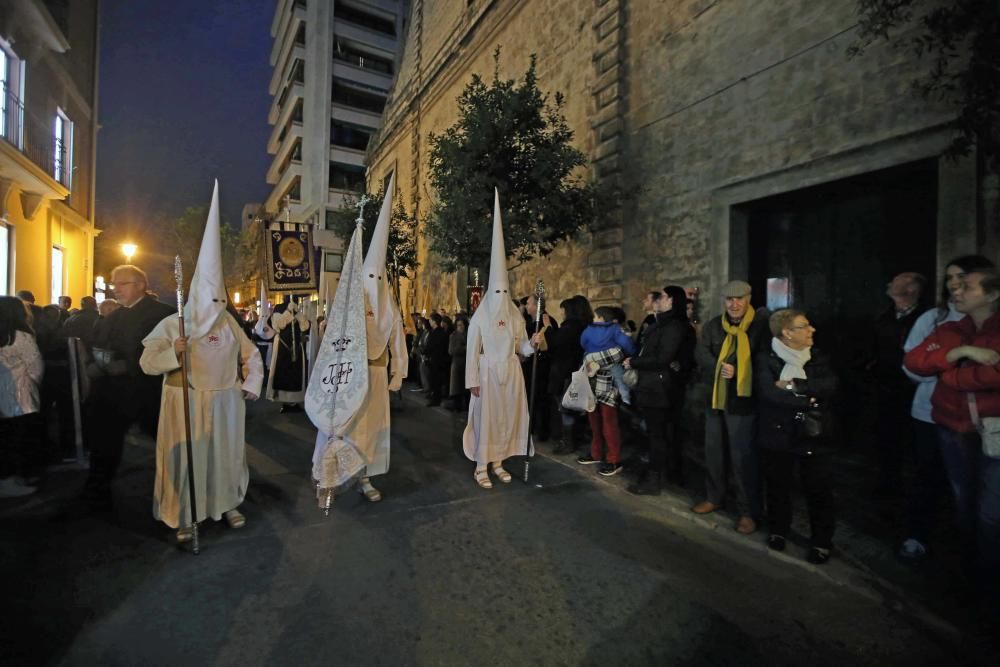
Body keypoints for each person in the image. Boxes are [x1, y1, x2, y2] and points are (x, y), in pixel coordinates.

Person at [140, 183, 263, 541]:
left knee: (224, 458)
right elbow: (148, 361)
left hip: (226, 402)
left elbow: (250, 354)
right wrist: (172, 352)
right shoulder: (172, 324)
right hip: (187, 403)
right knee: (188, 462)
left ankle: (226, 503)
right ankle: (185, 514)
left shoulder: (228, 325)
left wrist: (251, 384)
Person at [905, 269, 1000, 602]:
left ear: (990, 295)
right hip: (952, 429)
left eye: (966, 286)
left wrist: (951, 378)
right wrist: (960, 354)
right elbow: (916, 361)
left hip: (993, 433)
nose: (956, 291)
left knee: (990, 512)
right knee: (964, 505)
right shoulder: (950, 330)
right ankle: (970, 576)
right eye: (954, 286)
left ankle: (988, 585)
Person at [81, 264, 175, 510]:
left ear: (140, 285)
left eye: (122, 283)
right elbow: (96, 343)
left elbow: (170, 349)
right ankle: (97, 493)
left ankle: (178, 492)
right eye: (114, 283)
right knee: (104, 444)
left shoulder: (164, 314)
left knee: (168, 443)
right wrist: (92, 362)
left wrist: (129, 365)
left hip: (149, 392)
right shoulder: (114, 316)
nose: (116, 289)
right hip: (111, 393)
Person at [463, 190, 535, 489]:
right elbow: (471, 350)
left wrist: (533, 344)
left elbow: (521, 345)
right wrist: (472, 380)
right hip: (487, 373)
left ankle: (499, 461)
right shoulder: (480, 316)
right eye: (497, 292)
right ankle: (481, 465)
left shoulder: (515, 315)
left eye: (504, 292)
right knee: (486, 420)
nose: (501, 296)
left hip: (511, 374)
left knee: (507, 418)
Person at [756, 309, 838, 564]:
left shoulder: (817, 357)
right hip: (779, 432)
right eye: (804, 326)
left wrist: (795, 386)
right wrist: (810, 400)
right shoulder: (765, 359)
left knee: (818, 488)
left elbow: (831, 385)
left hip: (812, 433)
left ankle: (822, 541)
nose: (811, 330)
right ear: (787, 333)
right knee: (778, 485)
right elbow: (769, 394)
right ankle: (779, 530)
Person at [692, 280, 770, 535]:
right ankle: (714, 497)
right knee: (713, 452)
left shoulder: (760, 326)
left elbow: (765, 362)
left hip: (743, 402)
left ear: (748, 299)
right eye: (729, 300)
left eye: (739, 299)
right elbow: (701, 352)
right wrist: (719, 368)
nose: (734, 304)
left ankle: (748, 511)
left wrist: (739, 372)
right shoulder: (715, 325)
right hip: (715, 398)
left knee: (742, 458)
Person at [625, 286, 696, 494]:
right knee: (658, 434)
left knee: (658, 435)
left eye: (664, 297)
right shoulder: (663, 324)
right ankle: (662, 474)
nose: (659, 300)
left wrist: (635, 362)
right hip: (654, 386)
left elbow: (663, 358)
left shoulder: (673, 326)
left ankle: (655, 479)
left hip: (660, 389)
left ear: (672, 301)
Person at [872, 271, 928, 496]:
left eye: (896, 281)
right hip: (885, 387)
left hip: (912, 389)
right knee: (887, 441)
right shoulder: (884, 317)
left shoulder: (926, 319)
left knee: (915, 445)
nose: (889, 283)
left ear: (912, 289)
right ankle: (888, 486)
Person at [577, 305, 637, 476]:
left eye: (595, 317)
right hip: (608, 379)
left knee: (593, 419)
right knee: (609, 422)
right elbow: (629, 347)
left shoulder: (588, 330)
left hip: (590, 376)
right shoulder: (615, 330)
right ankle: (613, 459)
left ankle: (596, 453)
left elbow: (582, 344)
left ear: (601, 318)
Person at [0, 296, 44, 497]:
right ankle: (11, 479)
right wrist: (34, 382)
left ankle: (7, 477)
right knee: (18, 437)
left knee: (5, 437)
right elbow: (35, 365)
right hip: (20, 392)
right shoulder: (20, 336)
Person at [548, 296, 590, 455]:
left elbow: (556, 344)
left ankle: (568, 442)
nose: (561, 313)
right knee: (573, 406)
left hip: (565, 372)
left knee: (566, 407)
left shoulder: (569, 328)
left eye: (563, 310)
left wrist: (548, 328)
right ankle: (574, 438)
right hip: (576, 371)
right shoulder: (584, 326)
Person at [258, 295, 310, 412]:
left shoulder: (297, 308)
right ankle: (284, 401)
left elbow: (304, 327)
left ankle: (296, 401)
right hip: (283, 345)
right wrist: (288, 312)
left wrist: (298, 314)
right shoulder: (278, 308)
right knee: (283, 371)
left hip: (296, 345)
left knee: (296, 373)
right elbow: (280, 324)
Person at [525, 292, 558, 443]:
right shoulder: (530, 321)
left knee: (540, 398)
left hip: (541, 366)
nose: (526, 306)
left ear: (536, 306)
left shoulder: (545, 321)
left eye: (529, 303)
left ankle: (541, 430)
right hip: (532, 365)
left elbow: (548, 343)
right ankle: (531, 428)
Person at [425, 313, 450, 406]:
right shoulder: (441, 332)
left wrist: (426, 351)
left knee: (435, 380)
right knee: (435, 380)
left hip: (436, 360)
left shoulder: (436, 333)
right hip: (438, 359)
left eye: (431, 320)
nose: (429, 322)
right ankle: (435, 397)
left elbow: (431, 345)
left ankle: (435, 399)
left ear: (434, 321)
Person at [448, 315, 469, 411]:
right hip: (457, 364)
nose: (460, 327)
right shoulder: (453, 336)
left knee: (467, 387)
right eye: (458, 325)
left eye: (461, 325)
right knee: (457, 387)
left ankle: (467, 406)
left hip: (467, 364)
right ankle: (457, 406)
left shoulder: (469, 335)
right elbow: (451, 351)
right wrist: (464, 348)